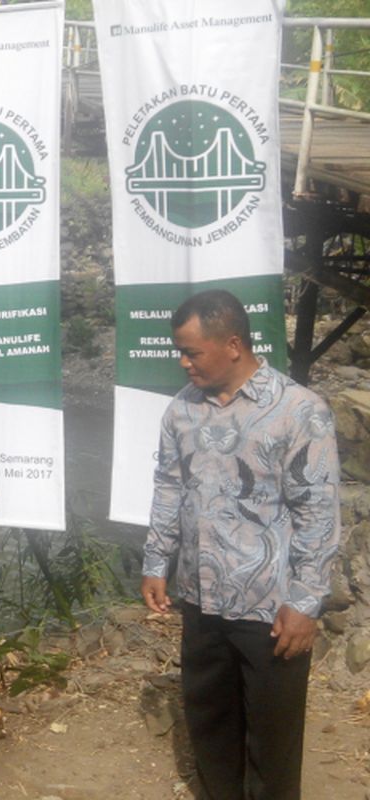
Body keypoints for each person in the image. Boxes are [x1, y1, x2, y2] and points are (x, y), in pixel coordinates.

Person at [141, 290, 340, 800]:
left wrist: (305, 602)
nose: (183, 364)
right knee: (210, 724)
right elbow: (168, 486)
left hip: (270, 607)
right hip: (201, 597)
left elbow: (318, 513)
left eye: (192, 352)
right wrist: (156, 561)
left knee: (272, 741)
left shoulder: (299, 411)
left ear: (233, 344)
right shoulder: (182, 411)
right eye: (179, 353)